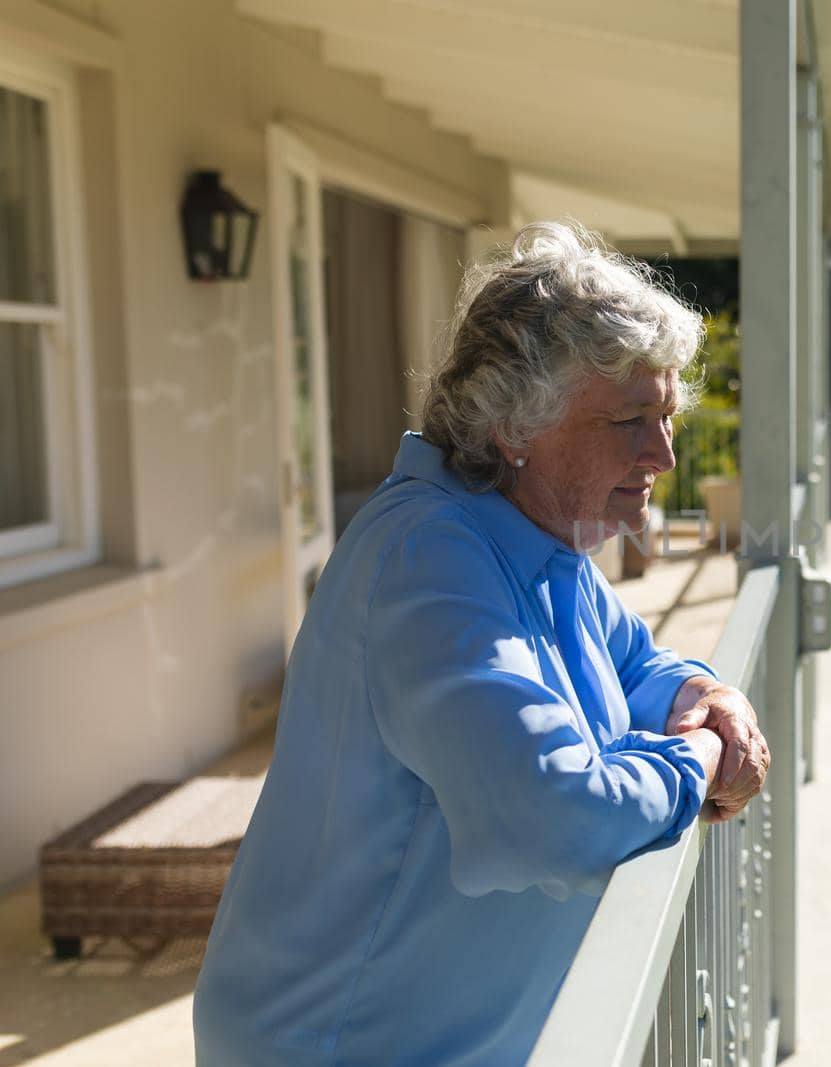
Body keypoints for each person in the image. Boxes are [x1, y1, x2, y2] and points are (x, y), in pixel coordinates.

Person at [193, 220, 770, 1065]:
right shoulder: (430, 559)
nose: (663, 452)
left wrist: (707, 696)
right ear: (512, 424)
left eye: (667, 416)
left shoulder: (537, 537)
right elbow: (554, 815)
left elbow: (639, 665)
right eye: (629, 421)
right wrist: (699, 765)